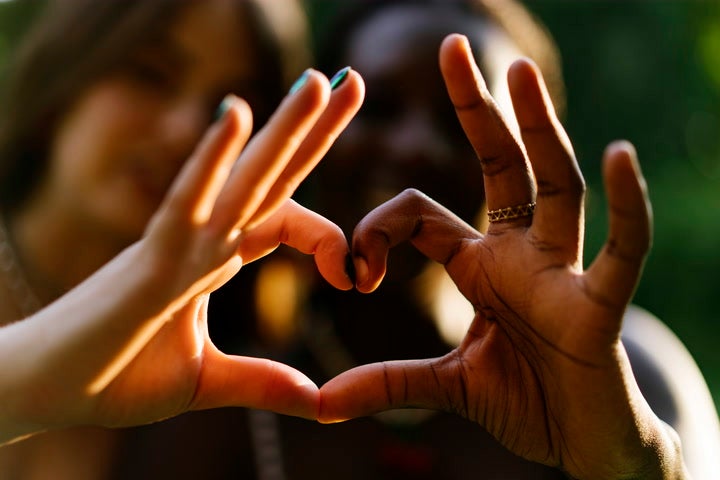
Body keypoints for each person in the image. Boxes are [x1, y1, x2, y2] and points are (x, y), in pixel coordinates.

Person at [245, 0, 719, 478]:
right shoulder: (233, 381)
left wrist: (632, 462)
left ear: (534, 165)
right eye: (380, 108)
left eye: (461, 124)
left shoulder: (624, 380)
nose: (415, 147)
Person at [0, 0, 364, 478]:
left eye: (230, 110)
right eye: (152, 74)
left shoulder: (231, 383)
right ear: (68, 67)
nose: (185, 131)